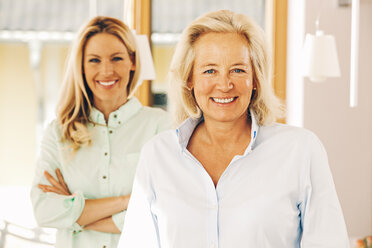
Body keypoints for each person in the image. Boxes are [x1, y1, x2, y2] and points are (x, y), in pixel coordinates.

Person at [118, 10, 350, 248]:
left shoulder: (301, 150)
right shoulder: (158, 155)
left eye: (238, 70)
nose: (225, 84)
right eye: (210, 70)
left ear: (256, 78)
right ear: (190, 79)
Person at [30, 16, 168, 248]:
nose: (106, 70)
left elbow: (165, 209)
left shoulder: (159, 126)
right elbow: (44, 210)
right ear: (81, 66)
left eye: (116, 58)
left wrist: (75, 216)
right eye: (94, 60)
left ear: (132, 61)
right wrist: (129, 201)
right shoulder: (58, 132)